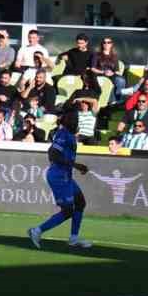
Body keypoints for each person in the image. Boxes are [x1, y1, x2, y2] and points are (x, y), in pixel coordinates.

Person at [27, 106, 93, 250]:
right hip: (58, 176)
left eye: (77, 118)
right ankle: (36, 231)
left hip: (65, 175)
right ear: (66, 119)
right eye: (73, 118)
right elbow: (53, 154)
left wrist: (72, 166)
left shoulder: (68, 134)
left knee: (80, 202)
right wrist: (75, 165)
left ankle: (74, 238)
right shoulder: (63, 134)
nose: (76, 121)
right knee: (68, 210)